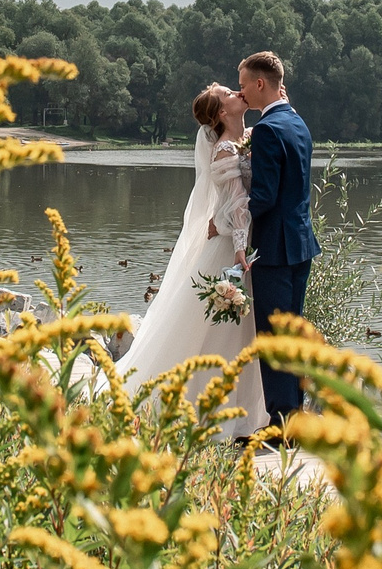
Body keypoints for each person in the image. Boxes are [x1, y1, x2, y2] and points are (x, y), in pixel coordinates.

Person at [118, 83, 269, 441]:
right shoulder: (222, 151)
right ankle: (210, 412)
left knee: (244, 334)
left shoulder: (249, 136)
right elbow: (236, 206)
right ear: (221, 112)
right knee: (223, 334)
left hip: (243, 243)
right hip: (233, 251)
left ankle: (249, 412)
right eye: (230, 93)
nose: (239, 93)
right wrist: (238, 250)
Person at [239, 50, 317, 421]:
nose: (241, 94)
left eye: (243, 86)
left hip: (274, 248)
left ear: (260, 84)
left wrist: (231, 221)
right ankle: (296, 415)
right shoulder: (298, 122)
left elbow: (265, 197)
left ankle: (282, 422)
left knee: (272, 335)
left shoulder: (268, 130)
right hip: (301, 244)